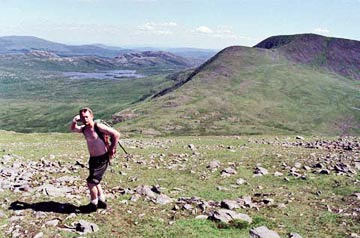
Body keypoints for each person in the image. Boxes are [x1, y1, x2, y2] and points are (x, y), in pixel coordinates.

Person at [70, 107, 120, 212]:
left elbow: (116, 134)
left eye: (87, 117)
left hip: (102, 158)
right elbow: (73, 129)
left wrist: (112, 148)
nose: (85, 119)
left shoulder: (98, 126)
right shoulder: (84, 129)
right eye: (83, 118)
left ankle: (93, 204)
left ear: (92, 116)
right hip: (93, 158)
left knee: (91, 182)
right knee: (95, 180)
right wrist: (74, 121)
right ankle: (101, 201)